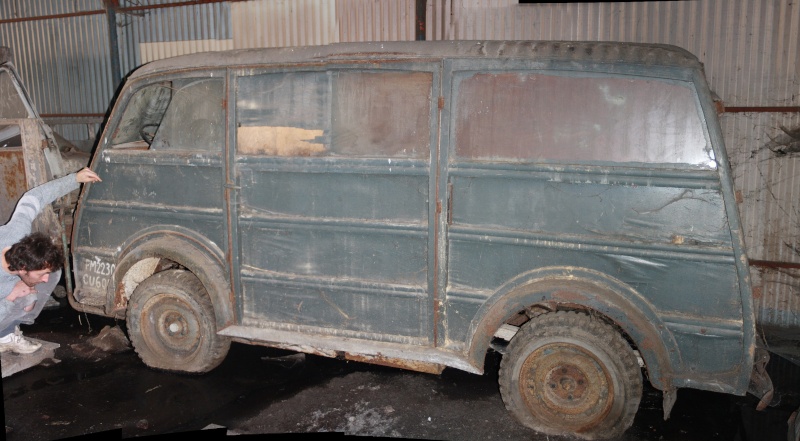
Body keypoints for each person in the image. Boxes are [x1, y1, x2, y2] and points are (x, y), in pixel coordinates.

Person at [0, 167, 101, 353]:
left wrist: (75, 179)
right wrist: (12, 297)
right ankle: (3, 335)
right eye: (40, 274)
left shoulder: (17, 233)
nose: (45, 280)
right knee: (18, 298)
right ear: (23, 267)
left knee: (53, 274)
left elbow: (34, 198)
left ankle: (7, 331)